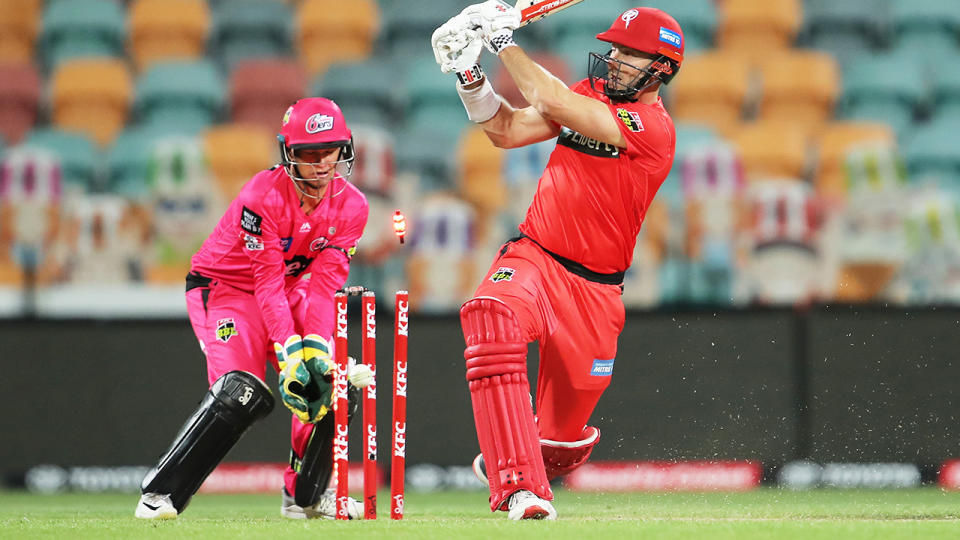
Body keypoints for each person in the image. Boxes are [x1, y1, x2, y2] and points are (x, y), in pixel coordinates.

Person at [431, 2, 684, 520]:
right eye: (613, 48)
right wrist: (469, 71)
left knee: (560, 448)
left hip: (596, 294)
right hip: (536, 257)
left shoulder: (653, 129)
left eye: (628, 54)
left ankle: (522, 457)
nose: (612, 59)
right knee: (490, 312)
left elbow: (554, 100)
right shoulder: (588, 94)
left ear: (661, 68)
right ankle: (518, 489)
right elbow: (505, 131)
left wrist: (503, 41)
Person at [134, 97, 372, 520]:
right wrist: (288, 349)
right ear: (289, 154)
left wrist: (313, 347)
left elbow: (324, 285)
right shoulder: (261, 196)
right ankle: (159, 495)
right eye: (308, 153)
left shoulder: (353, 206)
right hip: (226, 289)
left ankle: (307, 497)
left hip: (292, 290)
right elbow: (264, 281)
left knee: (327, 382)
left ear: (345, 148)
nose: (321, 164)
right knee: (238, 391)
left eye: (329, 151)